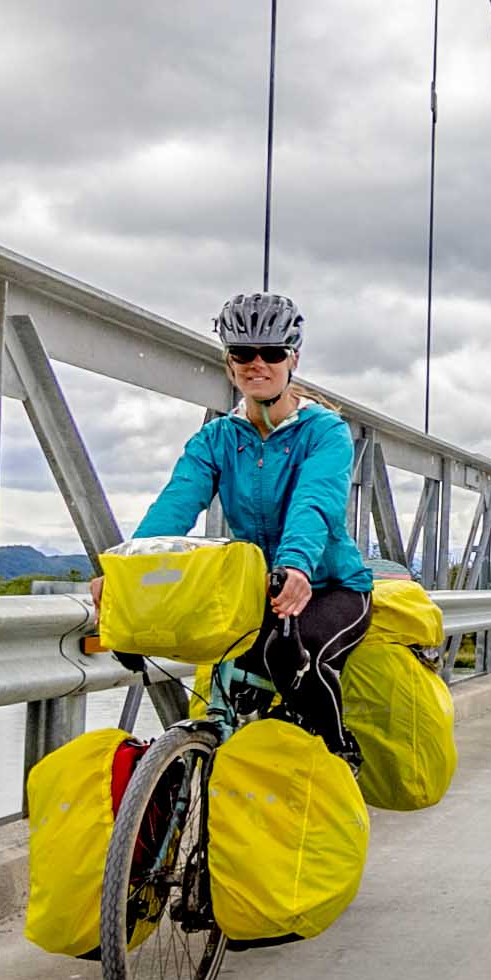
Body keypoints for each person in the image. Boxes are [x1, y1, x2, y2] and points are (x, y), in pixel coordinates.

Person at [97, 291, 376, 753]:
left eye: (272, 353)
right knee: (231, 671)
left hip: (331, 585)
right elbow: (175, 507)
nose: (257, 364)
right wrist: (124, 573)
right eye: (243, 353)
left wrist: (297, 566)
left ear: (293, 359)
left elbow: (315, 502)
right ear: (229, 362)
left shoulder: (324, 432)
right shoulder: (217, 438)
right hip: (258, 587)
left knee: (294, 658)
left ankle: (337, 752)